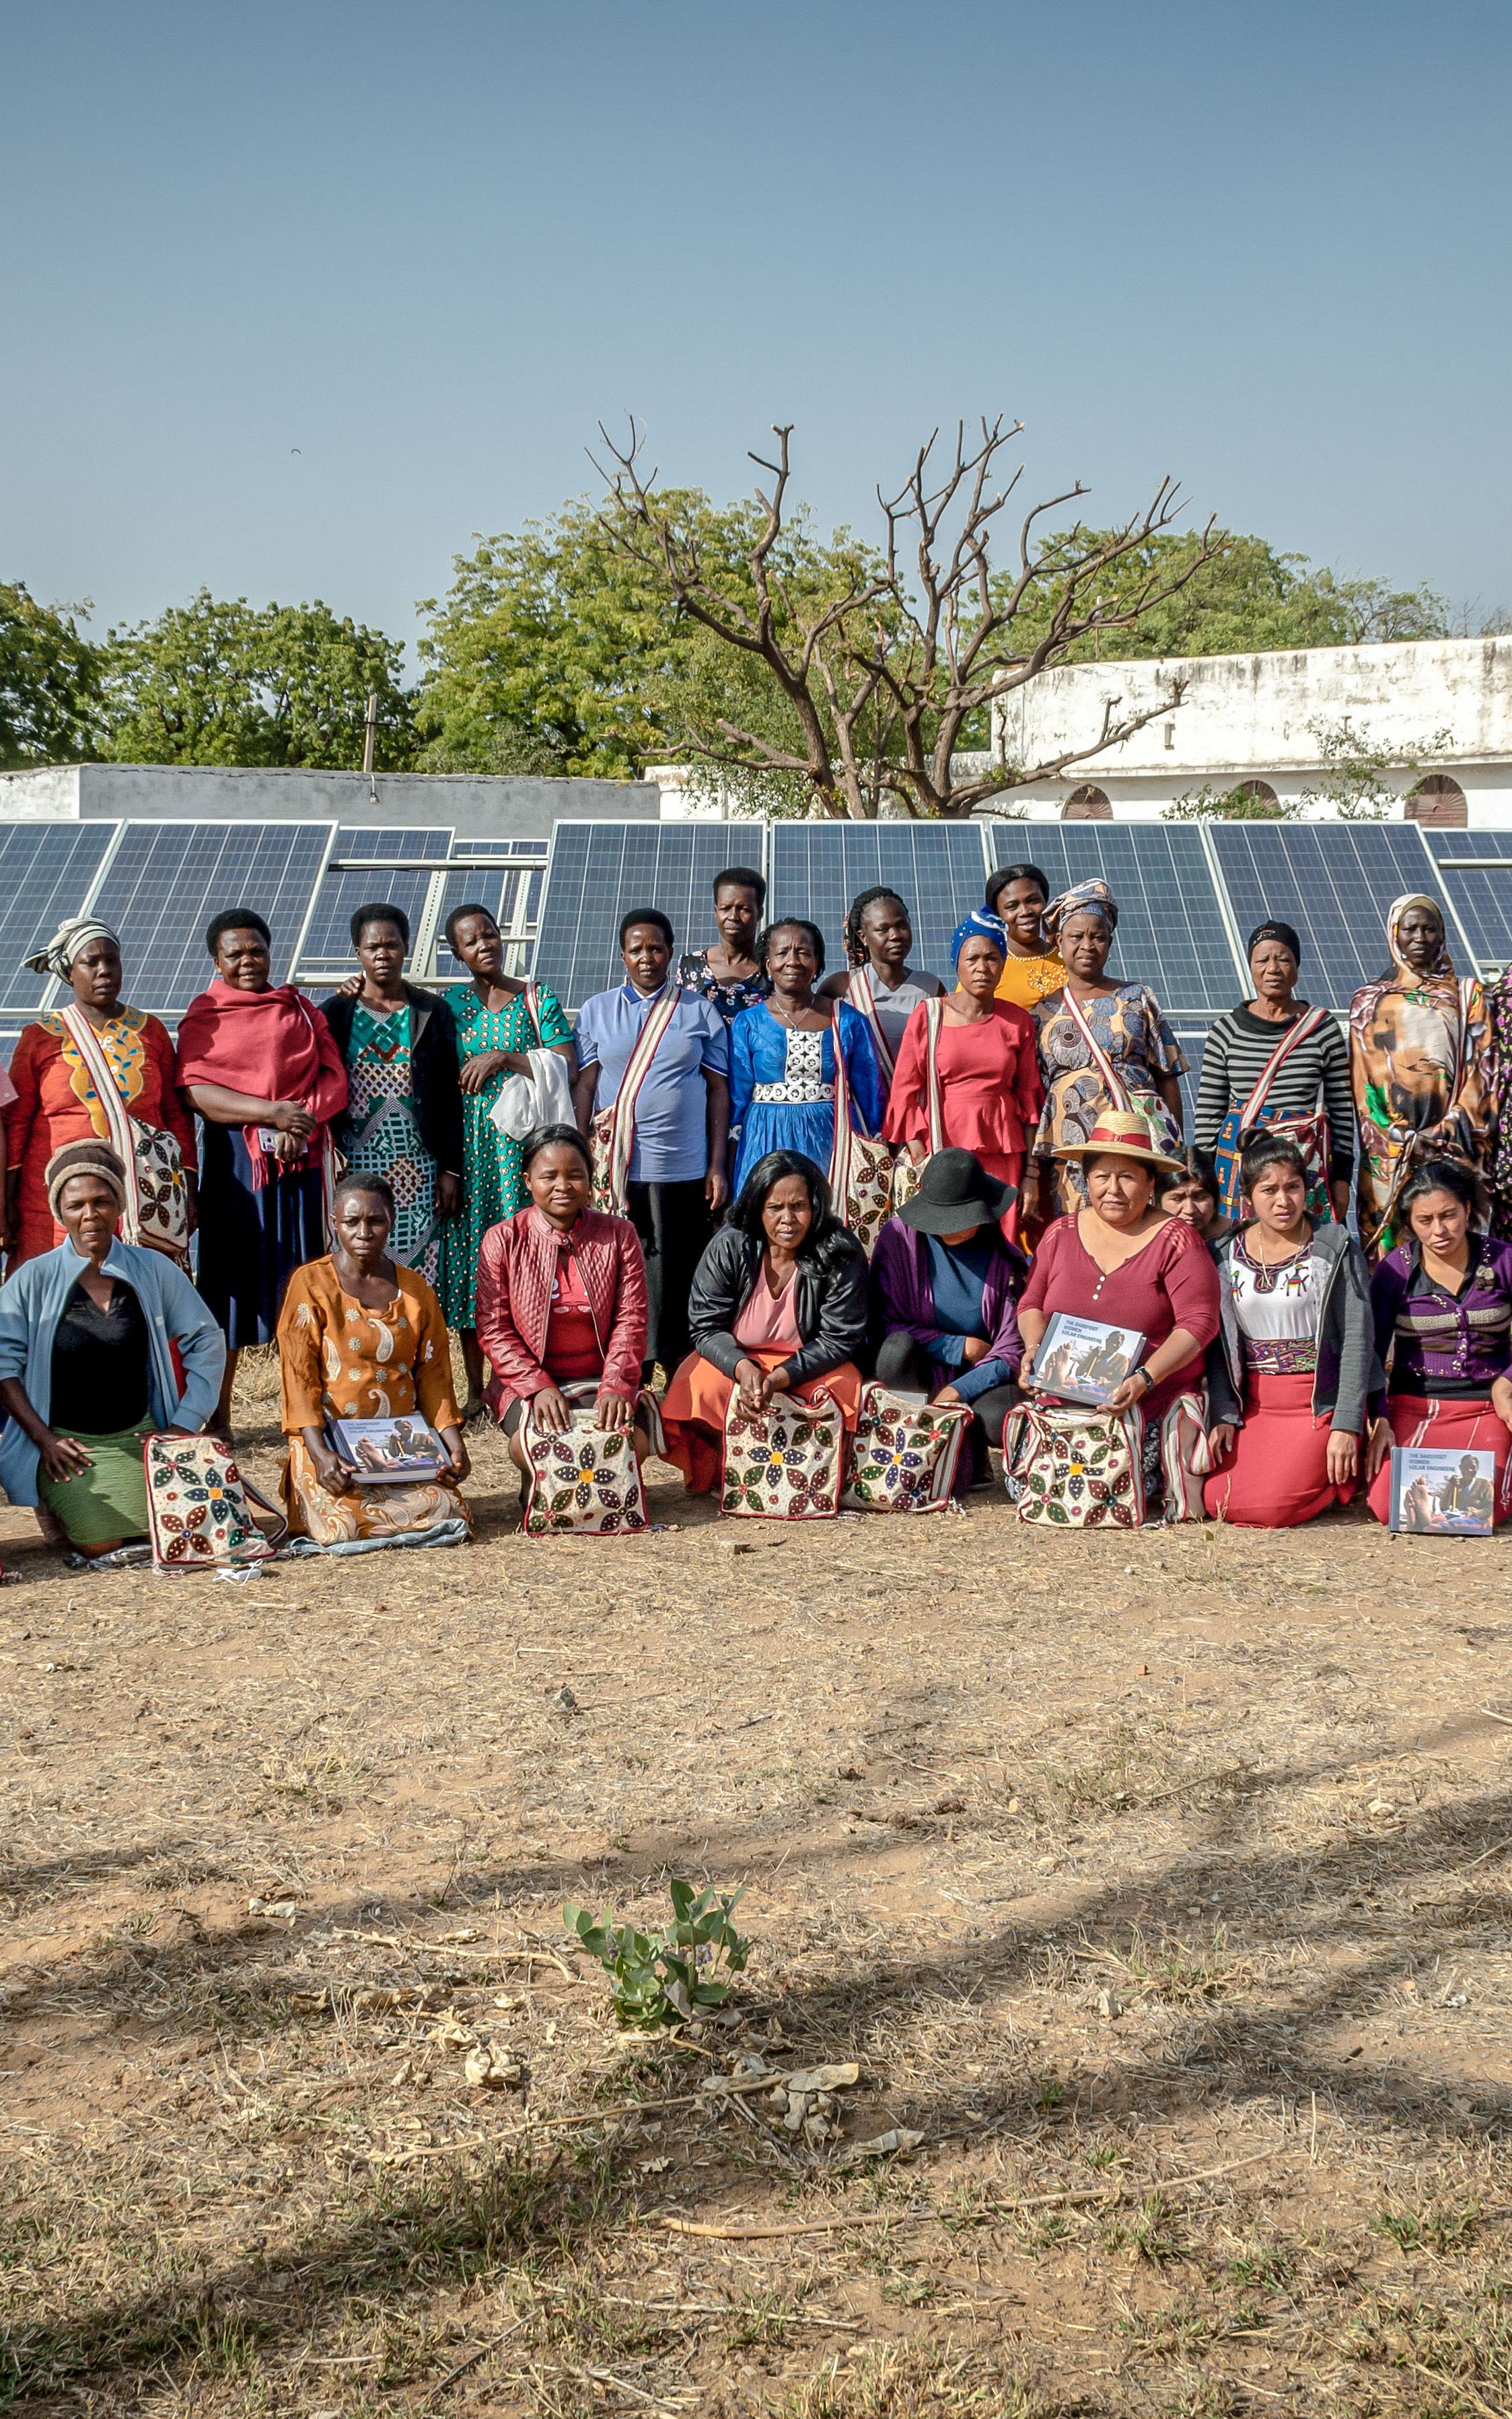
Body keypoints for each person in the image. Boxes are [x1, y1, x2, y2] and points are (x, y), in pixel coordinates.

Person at [0, 1141, 225, 1559]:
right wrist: (44, 1439)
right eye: (76, 1205)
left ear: (118, 1206)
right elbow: (2, 1365)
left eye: (101, 1201)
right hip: (68, 1447)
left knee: (186, 1533)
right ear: (59, 1212)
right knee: (102, 1544)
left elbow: (207, 1340)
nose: (90, 1215)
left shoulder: (152, 1269)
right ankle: (57, 1501)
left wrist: (182, 1427)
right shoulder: (33, 1278)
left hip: (140, 1437)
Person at [176, 910, 348, 1437]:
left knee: (300, 1285)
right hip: (237, 1173)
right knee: (227, 1290)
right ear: (216, 961)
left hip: (298, 1166)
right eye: (236, 953)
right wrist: (271, 1113)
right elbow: (197, 1092)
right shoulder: (205, 1015)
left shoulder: (297, 1007)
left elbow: (332, 1075)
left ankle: (304, 1413)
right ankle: (219, 1414)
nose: (248, 961)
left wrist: (302, 1117)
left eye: (257, 951)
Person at [1016, 1112, 1221, 1510]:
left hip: (1148, 1405)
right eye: (1102, 1177)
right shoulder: (1060, 1234)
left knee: (1122, 1484)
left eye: (1127, 1177)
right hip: (1064, 1407)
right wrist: (1033, 1349)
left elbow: (1200, 1323)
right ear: (1086, 1181)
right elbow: (1031, 1304)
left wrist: (1144, 1378)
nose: (1113, 1189)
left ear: (1149, 1184)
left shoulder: (1176, 1241)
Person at [276, 1172, 472, 1555]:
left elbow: (433, 1375)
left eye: (375, 1220)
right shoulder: (311, 1284)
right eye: (351, 1222)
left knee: (451, 1510)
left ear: (391, 1221)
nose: (363, 1231)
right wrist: (319, 1454)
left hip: (399, 1448)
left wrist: (453, 1446)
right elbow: (299, 1379)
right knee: (342, 1526)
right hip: (331, 1445)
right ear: (335, 1223)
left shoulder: (416, 1290)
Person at [571, 910, 729, 1381]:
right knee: (625, 1267)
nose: (647, 957)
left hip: (684, 1166)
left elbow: (718, 1089)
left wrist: (717, 1164)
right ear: (622, 956)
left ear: (670, 953)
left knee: (679, 1269)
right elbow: (585, 1083)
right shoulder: (597, 1010)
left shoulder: (698, 1010)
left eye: (656, 948)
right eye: (636, 949)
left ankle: (678, 1367)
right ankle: (628, 1366)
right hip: (620, 1170)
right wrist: (582, 1152)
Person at [434, 902, 576, 1418]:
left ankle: (521, 1381)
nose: (484, 945)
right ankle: (475, 1388)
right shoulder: (448, 1007)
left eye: (489, 934)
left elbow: (564, 1063)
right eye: (471, 941)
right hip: (471, 1156)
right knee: (474, 1265)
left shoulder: (537, 998)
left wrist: (503, 1057)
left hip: (523, 1155)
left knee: (527, 1264)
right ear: (457, 953)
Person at [661, 1149, 868, 1495]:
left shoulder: (840, 1251)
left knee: (849, 1389)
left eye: (799, 1206)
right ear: (758, 1208)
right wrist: (744, 1370)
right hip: (738, 1360)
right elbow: (705, 1327)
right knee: (694, 1384)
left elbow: (839, 1338)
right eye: (775, 1208)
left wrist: (778, 1378)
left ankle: (815, 1473)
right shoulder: (729, 1245)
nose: (788, 1219)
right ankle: (727, 1471)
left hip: (809, 1366)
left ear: (816, 1207)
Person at [1202, 1133, 1375, 1528]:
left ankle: (1333, 1482)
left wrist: (1346, 1423)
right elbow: (1219, 1346)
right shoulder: (1225, 1255)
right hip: (1257, 1406)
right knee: (1219, 1501)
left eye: (1293, 1187)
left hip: (1317, 1405)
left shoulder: (1333, 1248)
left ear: (1306, 1188)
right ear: (1247, 1197)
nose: (1284, 1201)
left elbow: (1357, 1340)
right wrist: (1224, 1413)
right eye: (1269, 1190)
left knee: (1271, 1508)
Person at [7, 916, 192, 1264]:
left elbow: (175, 1117)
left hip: (144, 1197)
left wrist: (188, 1191)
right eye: (90, 963)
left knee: (139, 1297)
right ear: (69, 972)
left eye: (111, 960)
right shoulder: (41, 1037)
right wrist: (6, 1204)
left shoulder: (150, 1031)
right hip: (53, 1204)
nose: (104, 970)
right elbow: (16, 1123)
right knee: (59, 1298)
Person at [473, 1124, 654, 1475]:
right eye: (549, 1176)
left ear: (590, 1179)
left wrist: (615, 1384)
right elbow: (493, 1328)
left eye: (575, 1175)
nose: (563, 1186)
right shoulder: (502, 1240)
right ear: (527, 1181)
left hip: (598, 1377)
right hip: (527, 1383)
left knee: (625, 1440)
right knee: (538, 1445)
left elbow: (632, 1319)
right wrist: (536, 1385)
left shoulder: (620, 1235)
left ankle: (611, 1498)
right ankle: (539, 1492)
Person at [319, 904, 464, 1289]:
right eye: (372, 947)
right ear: (358, 954)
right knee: (359, 1255)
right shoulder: (334, 1012)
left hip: (419, 1165)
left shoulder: (432, 1011)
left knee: (417, 1267)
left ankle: (413, 1342)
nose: (383, 954)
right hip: (356, 1161)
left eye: (392, 945)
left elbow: (451, 1093)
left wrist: (451, 1168)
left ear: (407, 948)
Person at [1365, 1157, 1512, 1527]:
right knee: (1392, 1508)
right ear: (1410, 1222)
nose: (1439, 1231)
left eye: (1449, 1215)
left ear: (1467, 1209)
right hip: (1416, 1406)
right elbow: (1372, 1350)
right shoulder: (1394, 1271)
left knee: (1484, 1510)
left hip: (1488, 1407)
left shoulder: (1504, 1260)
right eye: (1424, 1221)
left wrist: (1507, 1381)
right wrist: (1379, 1416)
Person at [1031, 880, 1186, 1222]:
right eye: (1076, 937)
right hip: (1071, 1146)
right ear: (1059, 942)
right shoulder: (1041, 1014)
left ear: (1110, 942)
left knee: (1143, 1225)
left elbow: (1167, 1074)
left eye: (1098, 936)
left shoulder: (1137, 998)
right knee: (1080, 1232)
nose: (1087, 945)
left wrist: (1176, 1144)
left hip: (1138, 1137)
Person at [869, 1148, 1024, 1486]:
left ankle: (973, 1450)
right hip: (916, 1367)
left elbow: (1012, 1350)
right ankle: (910, 1449)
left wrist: (958, 1390)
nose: (949, 1228)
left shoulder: (1005, 1262)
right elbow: (884, 1324)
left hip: (976, 1379)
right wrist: (957, 1347)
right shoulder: (899, 1240)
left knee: (1002, 1416)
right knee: (895, 1350)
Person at [1349, 893, 1491, 1258]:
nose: (1419, 937)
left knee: (1454, 1242)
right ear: (1394, 934)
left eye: (1430, 929)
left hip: (1455, 1144)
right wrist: (1400, 1139)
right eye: (1409, 928)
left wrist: (1444, 1134)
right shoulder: (1368, 1001)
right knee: (1391, 1263)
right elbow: (1363, 1086)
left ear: (1442, 935)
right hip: (1389, 1152)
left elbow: (1481, 1072)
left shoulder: (1468, 995)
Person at [883, 912, 1041, 1239]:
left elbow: (1029, 1097)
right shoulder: (929, 1015)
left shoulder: (1018, 1021)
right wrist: (920, 1158)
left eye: (992, 958)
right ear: (957, 963)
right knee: (945, 1243)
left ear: (1002, 963)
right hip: (942, 1147)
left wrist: (1031, 1174)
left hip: (1002, 1148)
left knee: (997, 1241)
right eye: (972, 958)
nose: (982, 967)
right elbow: (904, 1092)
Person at [1194, 920, 1355, 1225]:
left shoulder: (1322, 1028)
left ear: (1297, 965)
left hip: (1303, 1169)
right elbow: (1208, 1117)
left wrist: (1342, 1179)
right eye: (1263, 959)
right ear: (1250, 966)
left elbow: (1342, 1112)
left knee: (1307, 1247)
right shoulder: (1225, 1031)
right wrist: (1205, 1179)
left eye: (1283, 958)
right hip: (1240, 1168)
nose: (1273, 968)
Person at [728, 920, 884, 1198]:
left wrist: (876, 1144)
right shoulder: (747, 1023)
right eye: (783, 952)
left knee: (827, 1219)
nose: (793, 961)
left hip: (832, 1141)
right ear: (767, 963)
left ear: (817, 961)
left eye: (803, 952)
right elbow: (737, 1099)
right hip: (764, 1139)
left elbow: (871, 1093)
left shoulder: (848, 1020)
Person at [818, 888, 944, 1080]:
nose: (895, 935)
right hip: (865, 1107)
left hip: (916, 1106)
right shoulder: (841, 987)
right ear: (863, 936)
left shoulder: (931, 987)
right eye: (882, 929)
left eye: (902, 925)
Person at [677, 865, 772, 1027]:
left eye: (744, 909)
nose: (733, 917)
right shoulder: (691, 966)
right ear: (715, 911)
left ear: (760, 912)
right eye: (725, 908)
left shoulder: (772, 970)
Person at [985, 863, 1065, 1013]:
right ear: (998, 915)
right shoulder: (987, 968)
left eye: (1033, 901)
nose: (1025, 911)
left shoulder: (1070, 957)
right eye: (1012, 906)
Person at [1155, 1149, 1227, 1247]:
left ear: (1215, 1198)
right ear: (1158, 1202)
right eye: (1177, 1199)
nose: (1190, 1210)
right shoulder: (1145, 1243)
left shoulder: (1240, 1241)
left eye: (1201, 1198)